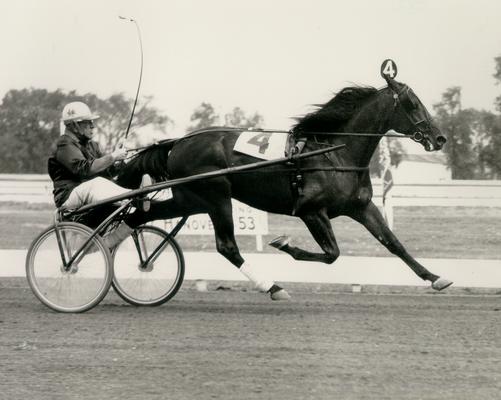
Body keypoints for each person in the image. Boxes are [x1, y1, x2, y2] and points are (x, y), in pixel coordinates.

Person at [48, 101, 152, 248]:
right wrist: (112, 156)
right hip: (68, 198)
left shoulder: (91, 145)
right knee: (96, 183)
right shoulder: (64, 144)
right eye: (88, 122)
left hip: (86, 195)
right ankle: (136, 197)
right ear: (75, 125)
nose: (93, 126)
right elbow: (84, 169)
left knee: (105, 181)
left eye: (92, 122)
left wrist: (118, 161)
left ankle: (136, 196)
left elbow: (106, 171)